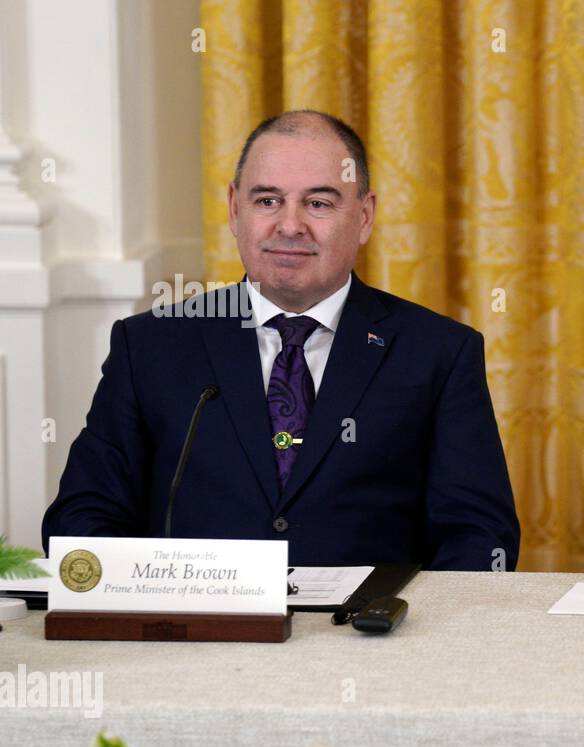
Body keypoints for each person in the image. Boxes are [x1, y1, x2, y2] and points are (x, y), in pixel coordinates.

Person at [43, 110, 520, 570]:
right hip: (196, 636)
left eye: (319, 203)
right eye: (267, 200)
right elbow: (84, 515)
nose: (290, 226)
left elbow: (478, 535)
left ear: (365, 215)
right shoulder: (149, 346)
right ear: (235, 210)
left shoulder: (437, 352)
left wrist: (408, 630)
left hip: (368, 641)